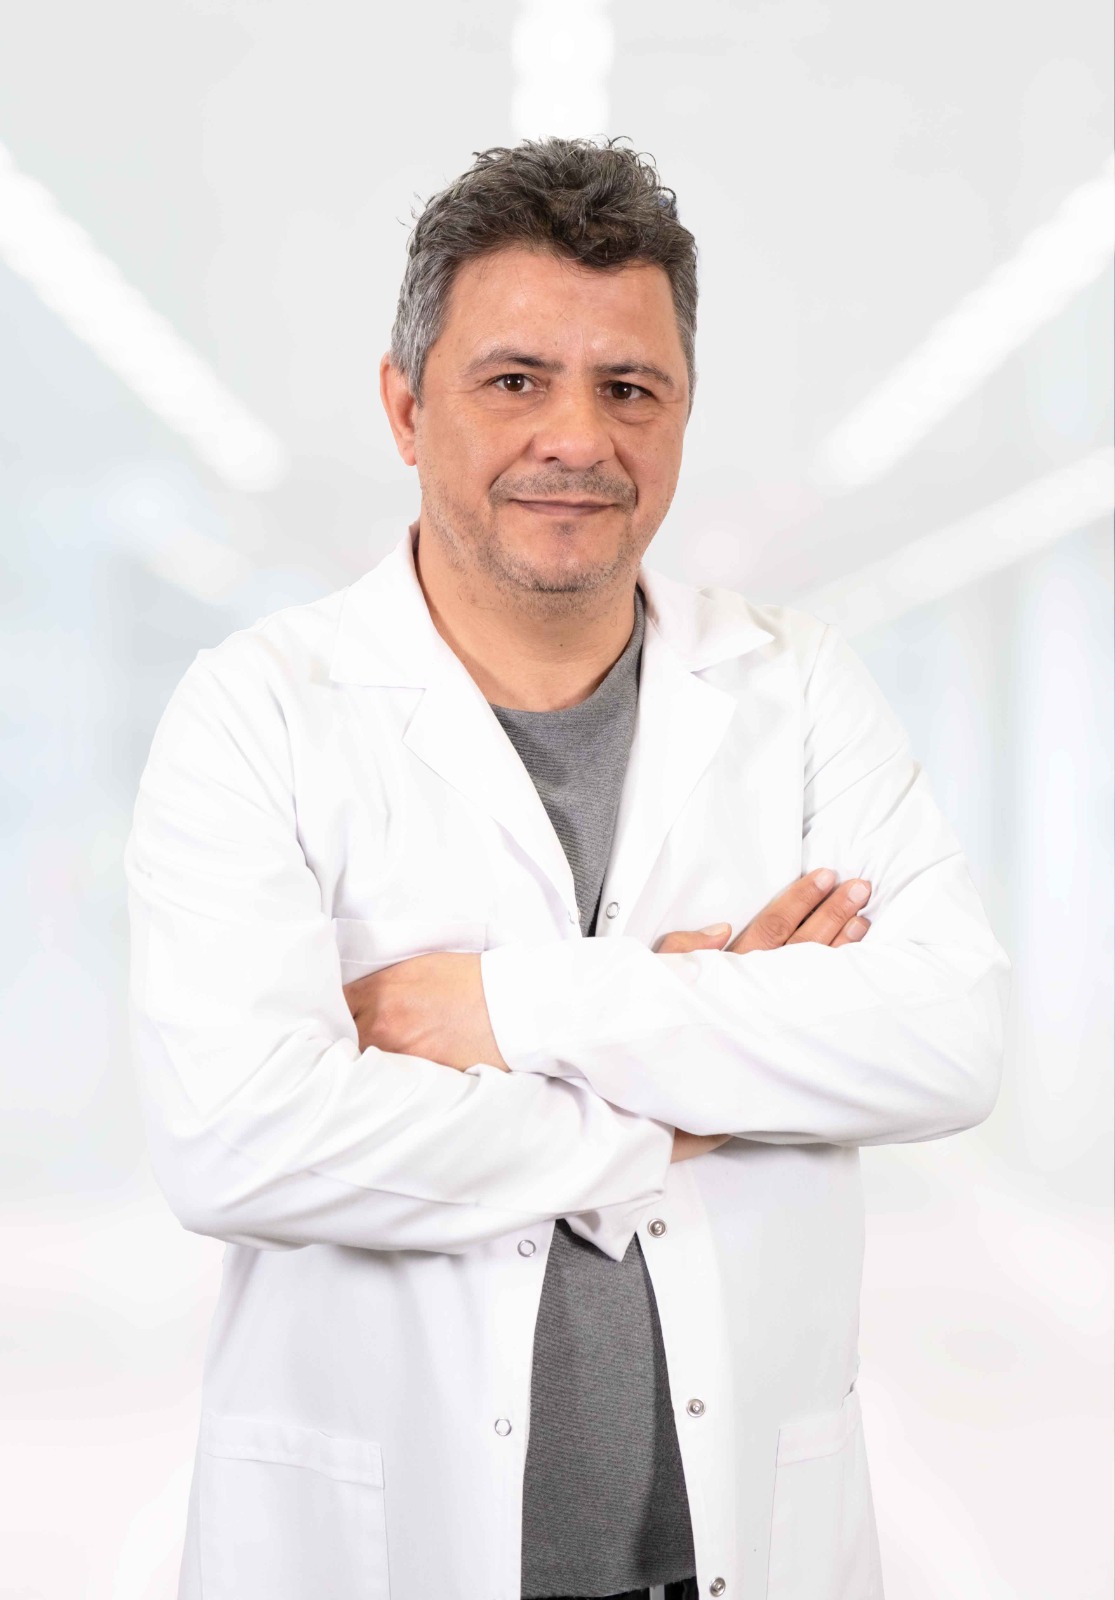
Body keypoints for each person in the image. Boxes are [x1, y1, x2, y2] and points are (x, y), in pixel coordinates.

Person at [124, 137, 1011, 1600]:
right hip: (381, 1549)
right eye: (515, 379)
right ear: (405, 407)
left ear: (683, 414)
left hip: (732, 1549)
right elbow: (239, 1140)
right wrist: (689, 1088)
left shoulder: (795, 688)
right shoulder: (260, 710)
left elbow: (945, 1037)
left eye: (630, 388)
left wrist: (509, 1011)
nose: (578, 438)